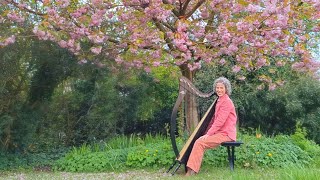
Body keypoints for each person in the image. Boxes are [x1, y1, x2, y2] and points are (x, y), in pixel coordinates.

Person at [185, 77, 237, 176]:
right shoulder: (220, 100)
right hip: (220, 133)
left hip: (226, 134)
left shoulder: (226, 102)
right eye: (217, 87)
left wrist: (209, 133)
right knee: (199, 140)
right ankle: (190, 169)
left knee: (200, 142)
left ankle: (192, 171)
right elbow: (215, 120)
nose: (219, 90)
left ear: (226, 88)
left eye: (221, 88)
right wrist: (206, 131)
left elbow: (220, 122)